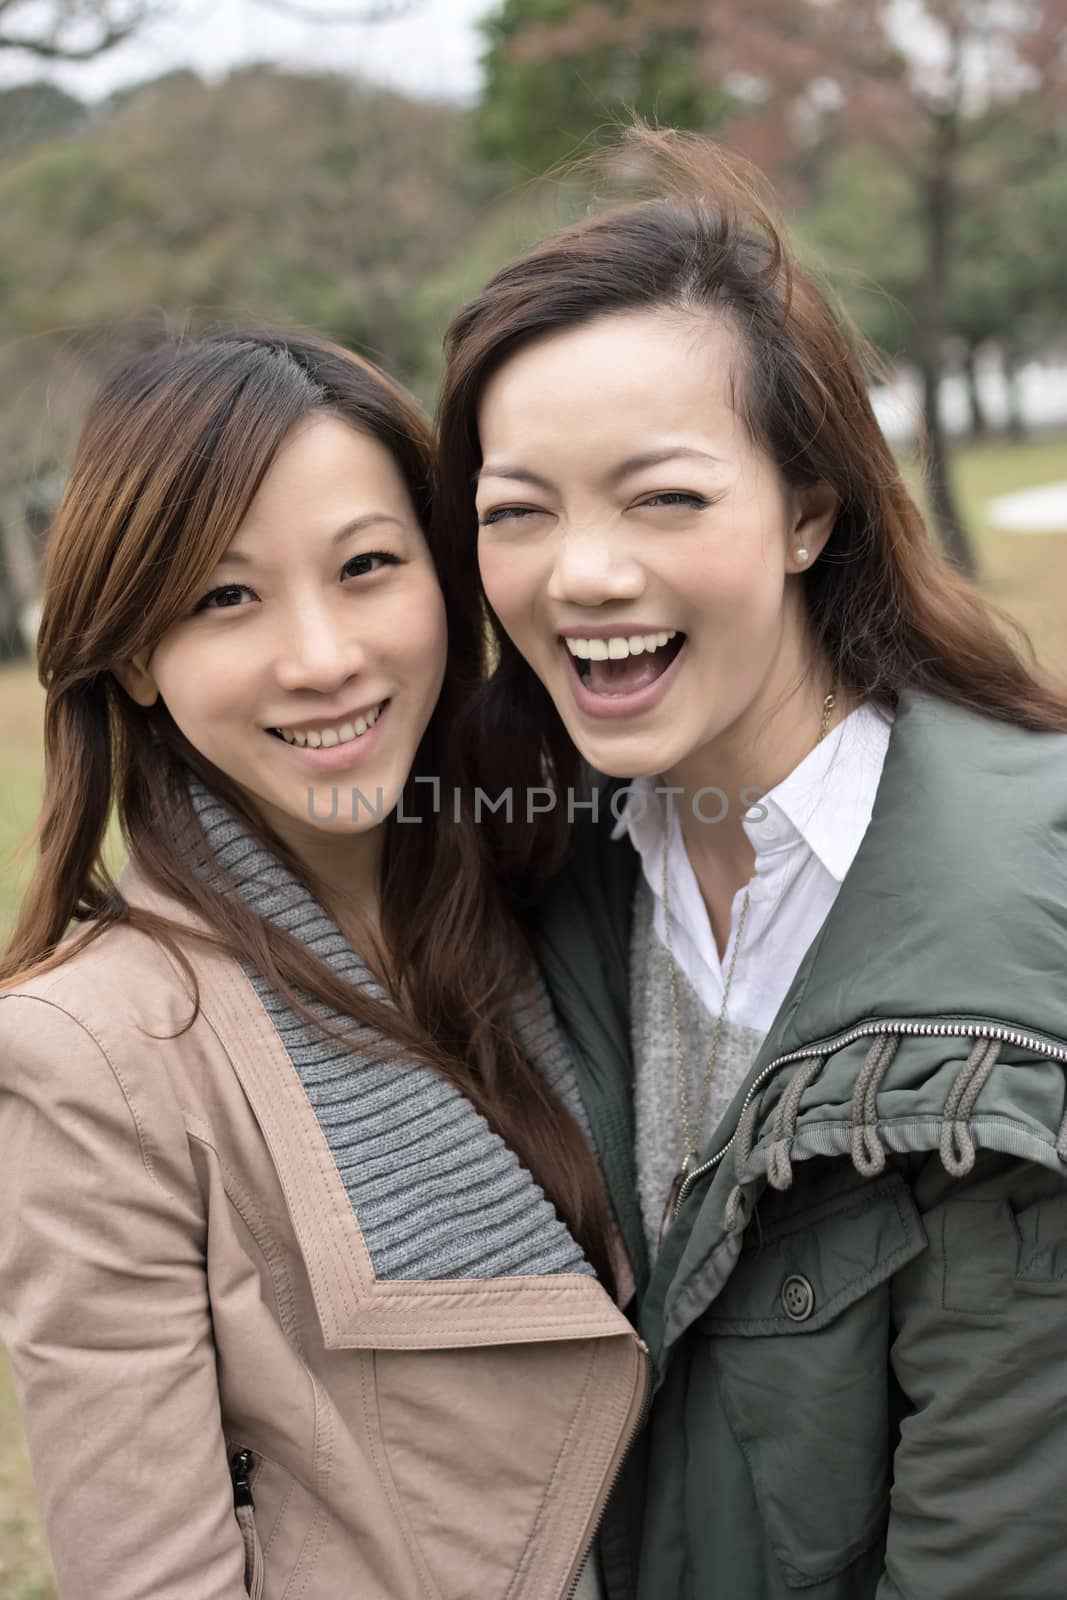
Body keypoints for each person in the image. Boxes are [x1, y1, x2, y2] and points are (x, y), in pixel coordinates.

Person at [434, 129, 1067, 1599]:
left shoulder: (1012, 966)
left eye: (660, 497)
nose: (579, 573)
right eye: (515, 511)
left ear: (804, 511)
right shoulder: (547, 861)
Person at [0, 329, 648, 1600]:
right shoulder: (91, 1058)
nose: (323, 656)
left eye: (365, 567)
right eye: (225, 597)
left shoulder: (578, 890)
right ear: (134, 653)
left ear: (449, 584)